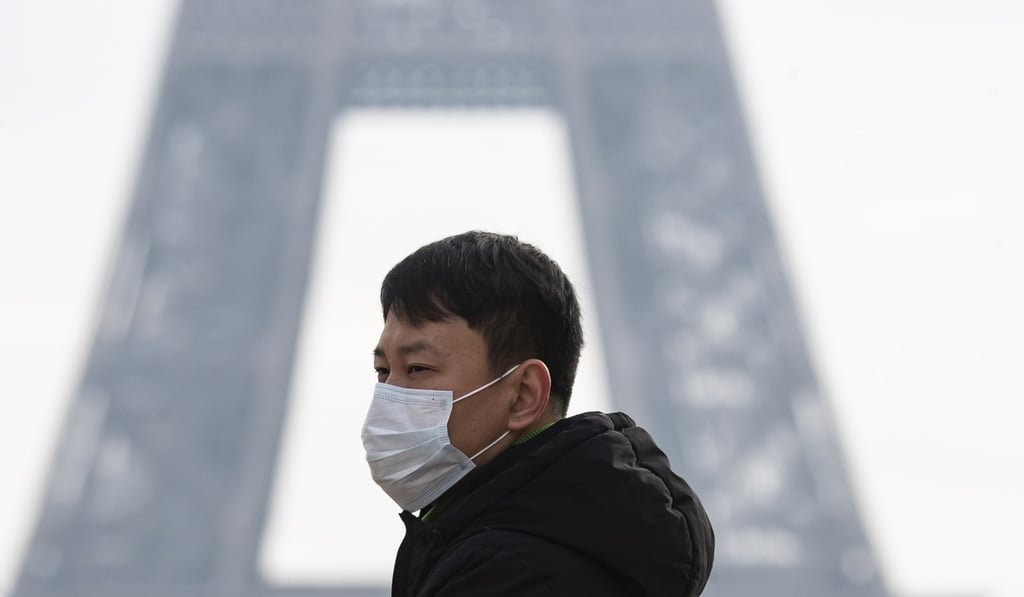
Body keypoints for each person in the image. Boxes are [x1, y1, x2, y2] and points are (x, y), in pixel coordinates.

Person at [361, 231, 714, 596]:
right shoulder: (566, 546)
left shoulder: (508, 574)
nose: (390, 395)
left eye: (418, 368)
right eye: (382, 372)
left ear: (524, 395)